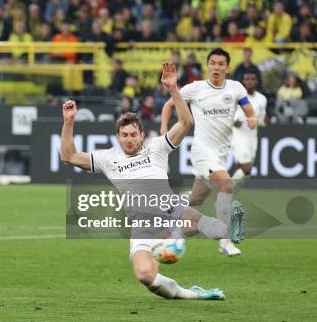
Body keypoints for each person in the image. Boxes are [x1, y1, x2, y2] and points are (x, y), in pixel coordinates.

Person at [60, 62, 244, 300]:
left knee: (196, 221)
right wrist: (69, 121)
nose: (129, 140)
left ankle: (230, 230)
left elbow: (186, 123)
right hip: (141, 224)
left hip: (170, 209)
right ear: (117, 137)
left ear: (142, 135)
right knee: (145, 276)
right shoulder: (108, 158)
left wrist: (174, 89)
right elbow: (69, 156)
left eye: (133, 135)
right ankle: (193, 294)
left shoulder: (156, 148)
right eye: (124, 135)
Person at [160, 48, 257, 257]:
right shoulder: (195, 89)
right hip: (202, 152)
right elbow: (169, 105)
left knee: (196, 200)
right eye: (213, 63)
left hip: (221, 154)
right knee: (227, 185)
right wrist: (163, 131)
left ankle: (173, 215)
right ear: (207, 65)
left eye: (221, 64)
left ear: (227, 68)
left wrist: (252, 117)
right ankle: (225, 239)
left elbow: (248, 107)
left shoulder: (235, 88)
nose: (216, 67)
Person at [231, 71, 268, 192]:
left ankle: (227, 196)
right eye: (247, 79)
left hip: (252, 138)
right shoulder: (236, 97)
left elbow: (262, 120)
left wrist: (266, 120)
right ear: (243, 81)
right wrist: (234, 121)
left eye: (252, 79)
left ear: (256, 81)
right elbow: (228, 116)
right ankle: (224, 194)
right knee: (246, 168)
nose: (249, 81)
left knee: (246, 173)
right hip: (238, 136)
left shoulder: (262, 99)